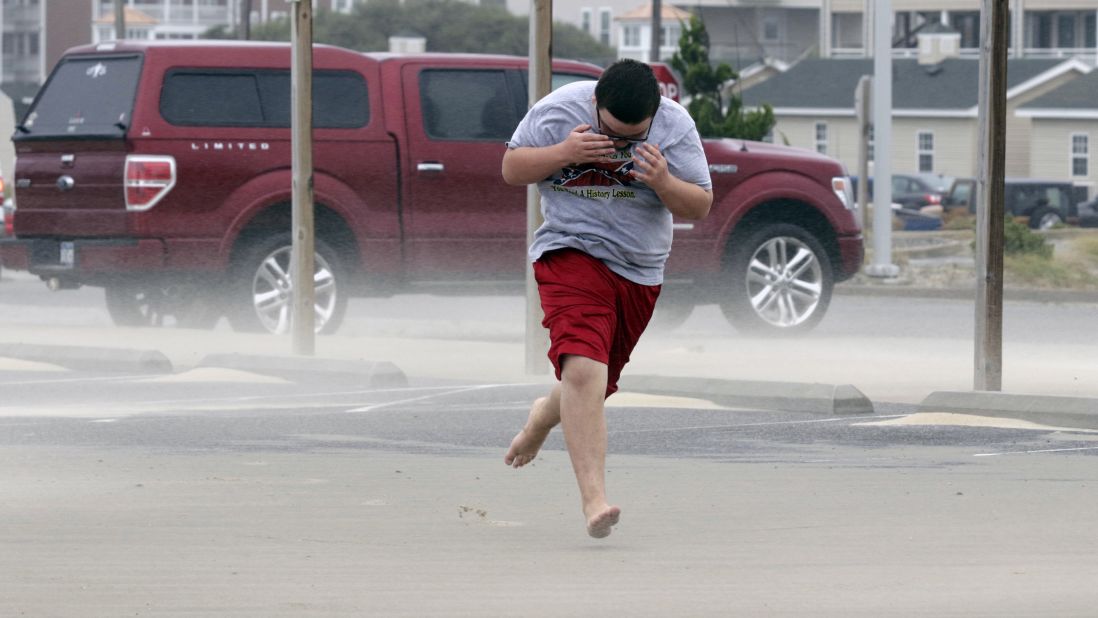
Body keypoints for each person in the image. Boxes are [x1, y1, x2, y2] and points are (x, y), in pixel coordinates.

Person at [500, 59, 713, 538]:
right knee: (584, 371)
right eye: (612, 134)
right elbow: (511, 169)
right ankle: (594, 500)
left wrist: (663, 181)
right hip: (569, 251)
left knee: (595, 383)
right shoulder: (558, 110)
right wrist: (563, 151)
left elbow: (699, 204)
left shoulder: (675, 126)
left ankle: (542, 417)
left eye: (631, 138)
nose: (620, 145)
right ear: (596, 103)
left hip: (639, 269)